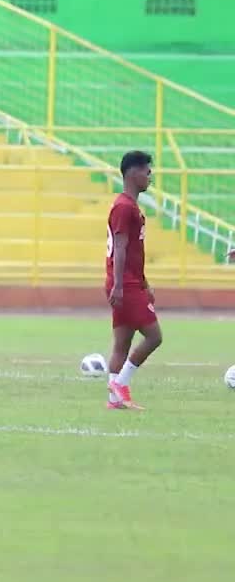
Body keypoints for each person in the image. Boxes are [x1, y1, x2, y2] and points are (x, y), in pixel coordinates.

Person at [105, 150, 163, 410]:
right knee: (154, 337)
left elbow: (132, 252)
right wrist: (119, 284)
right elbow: (120, 246)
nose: (150, 176)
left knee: (122, 342)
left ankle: (113, 400)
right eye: (147, 171)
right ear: (132, 172)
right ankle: (121, 384)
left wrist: (144, 281)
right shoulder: (124, 207)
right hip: (124, 284)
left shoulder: (130, 206)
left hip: (129, 281)